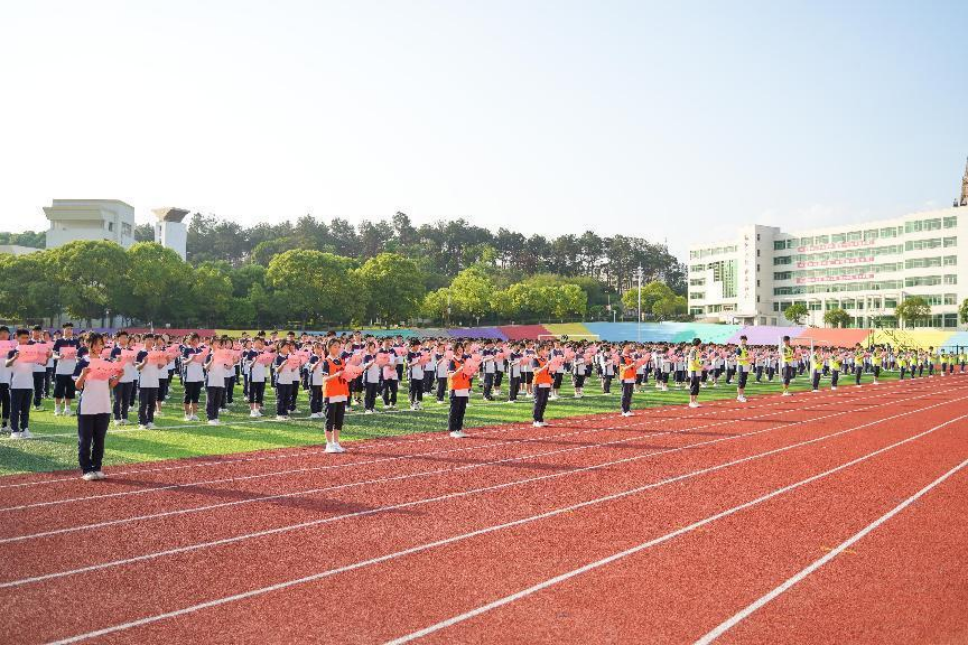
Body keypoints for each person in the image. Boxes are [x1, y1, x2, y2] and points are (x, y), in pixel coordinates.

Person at [74, 333, 122, 481]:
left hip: (104, 405)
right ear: (87, 344)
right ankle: (86, 469)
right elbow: (77, 386)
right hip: (88, 405)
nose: (97, 347)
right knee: (85, 439)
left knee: (99, 439)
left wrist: (118, 376)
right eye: (94, 344)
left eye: (100, 344)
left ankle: (97, 467)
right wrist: (83, 374)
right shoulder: (83, 362)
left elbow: (110, 384)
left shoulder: (106, 362)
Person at [5, 328, 35, 438]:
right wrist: (15, 357)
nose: (25, 340)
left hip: (28, 384)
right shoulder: (12, 351)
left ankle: (25, 429)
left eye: (27, 338)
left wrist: (47, 356)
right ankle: (14, 430)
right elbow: (7, 364)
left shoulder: (32, 350)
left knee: (26, 409)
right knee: (15, 409)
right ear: (16, 338)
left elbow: (42, 363)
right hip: (16, 384)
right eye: (23, 337)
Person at [320, 339, 348, 453]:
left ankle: (336, 442)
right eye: (335, 346)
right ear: (329, 347)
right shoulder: (326, 362)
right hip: (331, 393)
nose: (337, 348)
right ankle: (329, 444)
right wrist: (336, 375)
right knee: (330, 419)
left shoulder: (341, 360)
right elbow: (325, 378)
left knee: (339, 419)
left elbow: (345, 375)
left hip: (341, 392)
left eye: (339, 346)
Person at [135, 334, 164, 429]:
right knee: (143, 403)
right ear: (143, 341)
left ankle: (150, 421)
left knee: (152, 403)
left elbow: (159, 367)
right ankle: (142, 422)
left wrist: (164, 362)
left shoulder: (156, 352)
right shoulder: (141, 353)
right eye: (148, 339)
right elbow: (137, 367)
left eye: (152, 340)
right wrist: (144, 362)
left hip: (154, 381)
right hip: (144, 382)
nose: (151, 341)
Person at [447, 344, 472, 438]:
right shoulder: (452, 361)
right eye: (458, 349)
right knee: (454, 410)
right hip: (455, 388)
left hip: (464, 387)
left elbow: (469, 373)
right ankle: (452, 430)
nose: (460, 350)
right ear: (455, 350)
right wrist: (460, 370)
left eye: (462, 349)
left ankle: (459, 428)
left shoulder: (464, 360)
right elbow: (451, 376)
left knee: (462, 409)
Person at [532, 344, 553, 427]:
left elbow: (549, 371)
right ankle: (536, 420)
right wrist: (546, 366)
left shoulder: (545, 359)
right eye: (542, 349)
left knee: (544, 402)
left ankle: (540, 419)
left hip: (546, 382)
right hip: (538, 383)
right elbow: (536, 371)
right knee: (538, 402)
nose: (544, 351)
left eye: (544, 349)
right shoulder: (535, 360)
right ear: (538, 351)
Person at [618, 345, 637, 417]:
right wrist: (632, 364)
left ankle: (628, 409)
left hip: (631, 377)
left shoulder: (629, 357)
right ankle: (624, 410)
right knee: (625, 395)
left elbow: (632, 367)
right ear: (625, 350)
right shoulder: (622, 357)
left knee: (629, 395)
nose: (630, 352)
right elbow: (624, 368)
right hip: (625, 377)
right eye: (629, 350)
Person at [0, 326, 11, 433]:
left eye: (5, 333)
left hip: (7, 379)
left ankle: (4, 424)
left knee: (7, 402)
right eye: (1, 333)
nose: (3, 335)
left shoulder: (12, 347)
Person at [687, 338, 703, 408]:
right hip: (694, 369)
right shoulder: (693, 350)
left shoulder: (697, 350)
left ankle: (695, 401)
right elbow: (692, 361)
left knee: (697, 386)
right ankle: (691, 401)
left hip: (697, 369)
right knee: (693, 385)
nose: (701, 344)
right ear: (698, 343)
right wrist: (699, 366)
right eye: (700, 343)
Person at [735, 336, 751, 402]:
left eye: (745, 340)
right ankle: (739, 396)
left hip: (746, 366)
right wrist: (744, 359)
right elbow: (737, 358)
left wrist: (748, 360)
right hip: (741, 366)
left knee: (744, 381)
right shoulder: (739, 348)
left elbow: (747, 356)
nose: (744, 341)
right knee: (741, 381)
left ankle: (741, 395)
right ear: (740, 340)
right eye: (743, 340)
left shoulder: (744, 348)